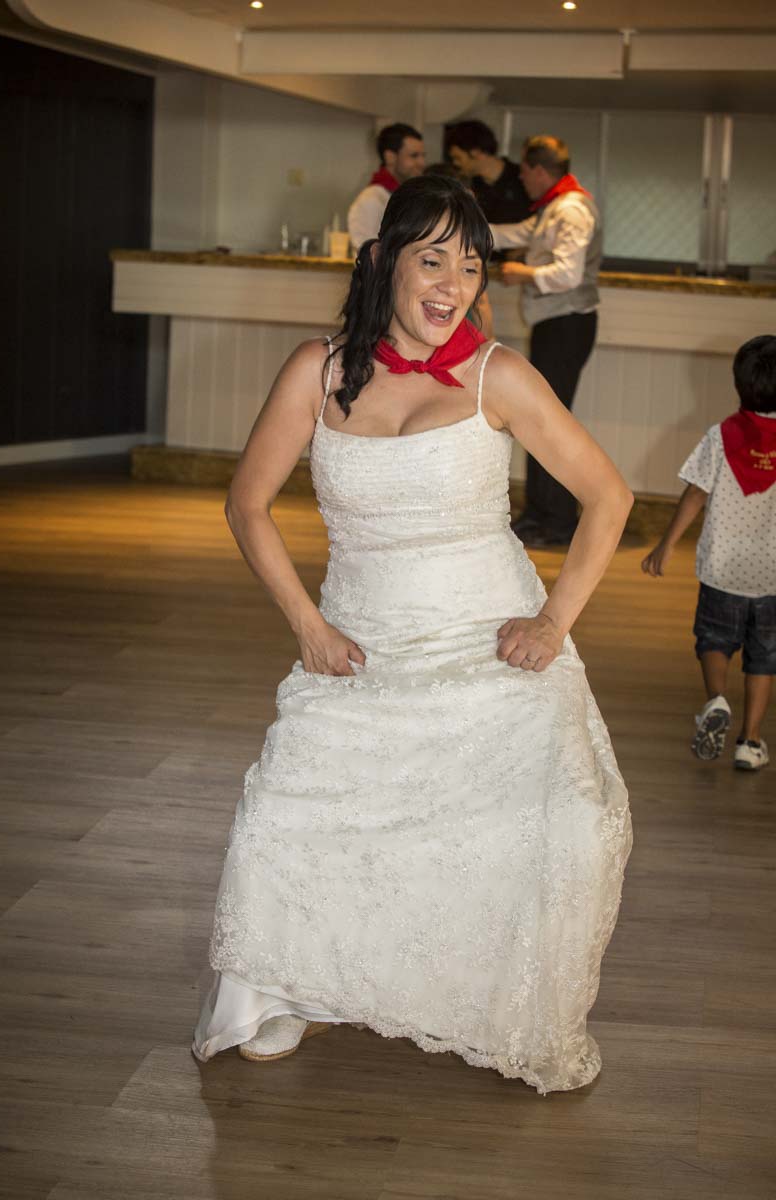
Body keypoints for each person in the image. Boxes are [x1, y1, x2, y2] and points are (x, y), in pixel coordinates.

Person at [193, 175, 632, 1095]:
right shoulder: (317, 369)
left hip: (487, 645)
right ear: (384, 259)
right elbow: (247, 504)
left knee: (549, 822)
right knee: (285, 811)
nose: (454, 285)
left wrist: (553, 621)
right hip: (362, 645)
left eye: (470, 267)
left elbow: (609, 497)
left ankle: (479, 994)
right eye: (433, 260)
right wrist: (308, 625)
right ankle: (293, 982)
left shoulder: (499, 375)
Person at [641, 335, 776, 771]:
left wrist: (666, 544)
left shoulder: (722, 437)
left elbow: (696, 494)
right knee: (764, 658)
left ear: (739, 384)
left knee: (714, 640)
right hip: (773, 577)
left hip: (723, 570)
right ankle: (750, 742)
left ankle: (717, 700)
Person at [491, 135, 601, 548]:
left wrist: (523, 273)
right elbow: (517, 232)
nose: (521, 178)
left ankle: (557, 520)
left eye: (523, 170)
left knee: (548, 423)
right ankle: (540, 514)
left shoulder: (571, 209)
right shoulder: (554, 207)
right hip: (556, 325)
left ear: (539, 170)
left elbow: (568, 275)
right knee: (541, 419)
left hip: (567, 325)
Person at [347, 122, 425, 252]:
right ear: (390, 157)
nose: (422, 163)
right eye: (414, 156)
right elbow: (367, 255)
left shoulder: (408, 196)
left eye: (423, 156)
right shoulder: (371, 200)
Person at [445, 119, 531, 226]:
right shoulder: (471, 189)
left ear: (475, 151)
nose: (455, 163)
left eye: (458, 158)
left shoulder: (523, 179)